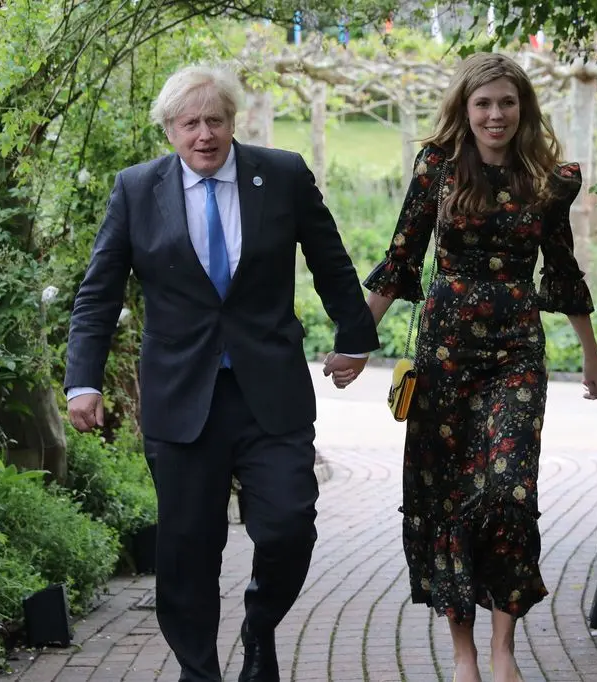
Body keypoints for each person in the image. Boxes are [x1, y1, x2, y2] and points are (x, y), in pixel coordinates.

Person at [63, 65, 379, 682]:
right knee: (186, 551)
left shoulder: (281, 175)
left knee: (289, 525)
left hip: (270, 394)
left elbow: (331, 261)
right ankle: (198, 671)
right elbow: (97, 294)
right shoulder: (135, 190)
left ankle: (259, 627)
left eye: (215, 120)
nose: (204, 135)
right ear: (170, 131)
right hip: (182, 399)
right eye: (190, 124)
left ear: (234, 122)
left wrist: (355, 338)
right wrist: (84, 381)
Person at [357, 52, 597, 682]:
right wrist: (356, 340)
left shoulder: (550, 178)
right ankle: (465, 655)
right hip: (445, 356)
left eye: (507, 102)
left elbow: (562, 266)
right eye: (483, 104)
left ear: (522, 108)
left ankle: (504, 650)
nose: (495, 115)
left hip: (515, 352)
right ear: (465, 110)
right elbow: (400, 258)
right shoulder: (437, 169)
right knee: (445, 497)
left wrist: (591, 353)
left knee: (508, 491)